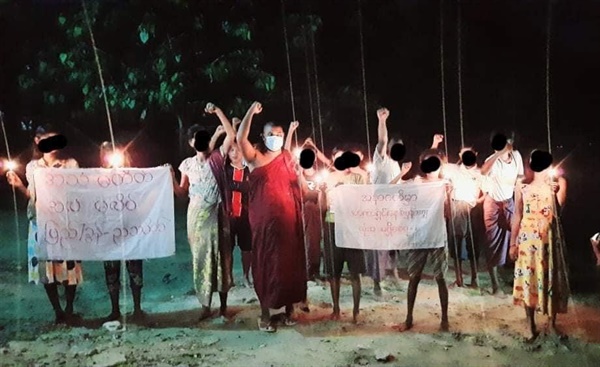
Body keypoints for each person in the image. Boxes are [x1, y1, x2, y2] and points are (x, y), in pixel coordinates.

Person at [236, 101, 307, 332]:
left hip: (288, 222)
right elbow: (240, 139)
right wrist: (250, 113)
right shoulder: (255, 157)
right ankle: (265, 314)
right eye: (270, 134)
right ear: (263, 136)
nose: (275, 137)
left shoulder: (287, 157)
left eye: (279, 134)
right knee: (266, 263)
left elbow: (299, 187)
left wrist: (300, 176)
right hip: (265, 224)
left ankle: (289, 310)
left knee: (289, 264)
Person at [7, 126, 83, 325]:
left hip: (65, 222)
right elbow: (34, 196)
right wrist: (19, 185)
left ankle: (69, 308)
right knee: (46, 269)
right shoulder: (33, 167)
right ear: (38, 141)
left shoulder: (71, 164)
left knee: (69, 266)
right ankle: (58, 311)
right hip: (40, 222)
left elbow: (77, 190)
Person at [172, 106, 236, 320]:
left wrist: (218, 111)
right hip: (196, 218)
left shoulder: (218, 158)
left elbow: (231, 134)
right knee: (201, 259)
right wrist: (170, 177)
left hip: (218, 214)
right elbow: (182, 193)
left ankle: (224, 306)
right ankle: (205, 305)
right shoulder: (187, 165)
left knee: (222, 257)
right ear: (191, 142)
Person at [509, 150, 568, 341]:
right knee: (529, 279)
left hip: (550, 239)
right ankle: (530, 324)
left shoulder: (559, 184)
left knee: (551, 278)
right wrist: (513, 243)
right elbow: (517, 214)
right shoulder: (522, 185)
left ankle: (552, 323)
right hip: (528, 240)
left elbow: (559, 213)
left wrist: (555, 193)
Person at [399, 152, 450, 332]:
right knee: (414, 278)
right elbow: (387, 191)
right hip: (418, 236)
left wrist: (449, 195)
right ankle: (409, 317)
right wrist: (401, 174)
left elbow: (449, 212)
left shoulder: (445, 185)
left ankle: (444, 319)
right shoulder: (415, 184)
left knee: (441, 278)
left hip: (437, 237)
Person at [99, 142, 145, 322]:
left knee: (135, 270)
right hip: (108, 232)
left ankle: (137, 308)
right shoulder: (98, 179)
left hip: (131, 230)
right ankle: (115, 309)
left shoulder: (132, 176)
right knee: (111, 272)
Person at [322, 150, 366, 323]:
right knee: (334, 273)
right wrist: (323, 192)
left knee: (355, 273)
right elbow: (324, 205)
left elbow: (365, 199)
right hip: (332, 224)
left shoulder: (358, 177)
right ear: (334, 159)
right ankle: (336, 308)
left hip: (352, 226)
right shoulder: (328, 178)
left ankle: (356, 311)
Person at [481, 134, 524, 294]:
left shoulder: (516, 156)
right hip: (492, 203)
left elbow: (520, 179)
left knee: (516, 238)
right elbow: (483, 171)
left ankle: (518, 279)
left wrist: (518, 202)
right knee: (492, 242)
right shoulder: (493, 159)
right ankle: (495, 285)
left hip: (508, 201)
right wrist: (499, 153)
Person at [368, 107, 403, 296]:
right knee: (379, 248)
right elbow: (381, 140)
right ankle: (377, 284)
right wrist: (382, 121)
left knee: (393, 246)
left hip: (393, 211)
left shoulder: (396, 164)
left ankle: (393, 275)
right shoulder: (380, 158)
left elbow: (396, 184)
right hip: (379, 210)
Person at [443, 147, 484, 288]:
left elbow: (487, 191)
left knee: (473, 244)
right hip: (457, 207)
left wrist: (478, 202)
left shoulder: (480, 172)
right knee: (456, 243)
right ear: (460, 154)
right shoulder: (453, 169)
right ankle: (459, 278)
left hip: (472, 209)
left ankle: (475, 278)